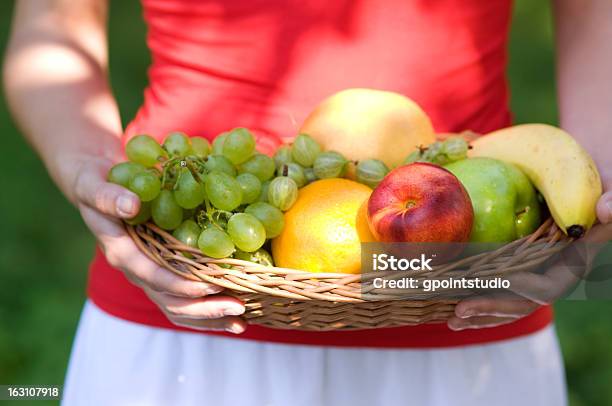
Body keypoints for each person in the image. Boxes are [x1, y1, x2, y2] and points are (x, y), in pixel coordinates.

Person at [4, 0, 611, 405]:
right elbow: (52, 28)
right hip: (184, 291)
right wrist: (88, 168)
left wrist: (595, 196)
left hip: (472, 294)